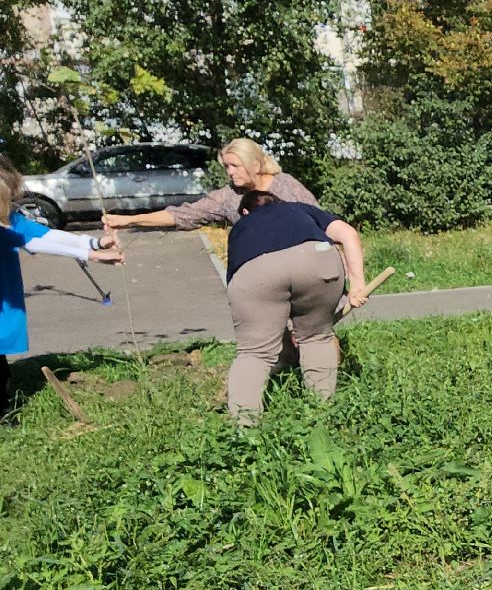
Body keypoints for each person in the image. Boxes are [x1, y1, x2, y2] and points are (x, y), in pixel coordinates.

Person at [221, 187, 369, 422]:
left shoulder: (241, 228)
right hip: (317, 258)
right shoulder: (299, 209)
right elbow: (348, 234)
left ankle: (244, 430)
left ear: (246, 212)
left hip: (257, 270)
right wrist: (357, 285)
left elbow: (243, 291)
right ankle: (321, 415)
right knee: (317, 338)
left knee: (254, 353)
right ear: (279, 202)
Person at [2, 154, 124, 417]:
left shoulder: (9, 217)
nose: (10, 206)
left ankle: (4, 407)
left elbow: (40, 234)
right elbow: (26, 241)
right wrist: (91, 254)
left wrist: (93, 244)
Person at [103, 137, 316, 232]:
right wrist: (129, 221)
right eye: (226, 166)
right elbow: (183, 214)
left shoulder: (286, 184)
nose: (230, 172)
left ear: (255, 164)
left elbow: (320, 219)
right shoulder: (227, 196)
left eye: (235, 166)